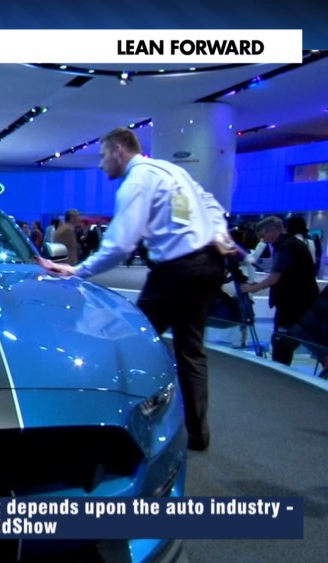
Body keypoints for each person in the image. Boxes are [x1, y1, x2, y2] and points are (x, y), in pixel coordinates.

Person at [38, 127, 233, 452]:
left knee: (130, 342)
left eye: (102, 156)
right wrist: (220, 236)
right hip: (208, 265)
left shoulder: (137, 181)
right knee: (191, 351)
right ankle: (198, 434)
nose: (101, 164)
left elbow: (120, 244)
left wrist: (78, 270)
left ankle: (113, 428)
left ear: (118, 151)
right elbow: (212, 205)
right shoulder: (172, 171)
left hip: (176, 271)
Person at [241, 216, 320, 366]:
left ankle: (280, 373)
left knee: (281, 342)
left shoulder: (285, 246)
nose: (263, 240)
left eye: (263, 236)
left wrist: (252, 288)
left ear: (272, 231)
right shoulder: (291, 243)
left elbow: (275, 277)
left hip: (293, 303)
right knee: (286, 340)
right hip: (299, 301)